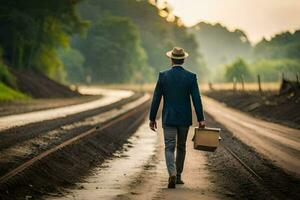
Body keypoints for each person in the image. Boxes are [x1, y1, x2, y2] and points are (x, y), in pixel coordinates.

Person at [149, 47, 205, 189]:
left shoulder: (163, 76)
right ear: (184, 60)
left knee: (169, 147)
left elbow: (156, 98)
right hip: (184, 119)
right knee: (181, 147)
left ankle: (171, 173)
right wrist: (201, 118)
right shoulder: (191, 77)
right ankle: (178, 176)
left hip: (168, 118)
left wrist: (152, 118)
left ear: (171, 59)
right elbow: (197, 99)